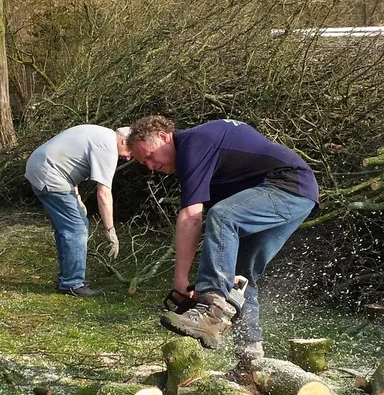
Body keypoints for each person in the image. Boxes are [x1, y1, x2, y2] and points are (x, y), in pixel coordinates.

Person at [126, 116, 318, 367]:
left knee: (223, 215)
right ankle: (250, 358)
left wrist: (181, 281)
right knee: (240, 275)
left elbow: (191, 217)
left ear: (163, 137)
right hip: (299, 193)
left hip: (288, 184)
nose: (151, 167)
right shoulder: (199, 154)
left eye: (150, 156)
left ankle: (213, 311)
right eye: (145, 164)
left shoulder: (194, 143)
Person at [25, 125, 132, 297]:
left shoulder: (100, 135)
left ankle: (67, 278)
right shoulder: (108, 147)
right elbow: (104, 193)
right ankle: (72, 283)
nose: (128, 157)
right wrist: (110, 230)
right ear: (124, 141)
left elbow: (69, 160)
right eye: (130, 151)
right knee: (76, 227)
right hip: (49, 173)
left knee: (66, 228)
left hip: (40, 168)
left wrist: (76, 196)